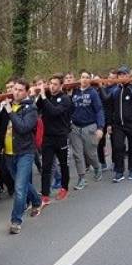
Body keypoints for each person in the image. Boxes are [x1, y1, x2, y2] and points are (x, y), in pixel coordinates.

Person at [0, 78, 45, 234]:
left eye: (20, 90)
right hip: (8, 153)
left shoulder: (31, 109)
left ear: (26, 92)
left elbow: (24, 127)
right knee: (23, 183)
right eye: (15, 89)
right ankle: (37, 201)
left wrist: (10, 112)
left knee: (19, 188)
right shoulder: (7, 106)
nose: (16, 92)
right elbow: (1, 127)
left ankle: (16, 221)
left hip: (24, 152)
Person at [36, 73, 73, 203]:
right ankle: (45, 193)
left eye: (55, 84)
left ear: (61, 85)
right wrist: (40, 95)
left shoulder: (65, 99)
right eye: (51, 84)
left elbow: (54, 112)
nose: (52, 86)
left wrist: (44, 97)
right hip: (47, 137)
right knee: (46, 166)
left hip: (61, 136)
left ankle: (64, 188)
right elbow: (37, 107)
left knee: (63, 164)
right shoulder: (46, 96)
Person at [106, 66, 132, 182]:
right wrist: (109, 124)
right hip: (117, 125)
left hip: (131, 123)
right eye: (120, 75)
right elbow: (109, 108)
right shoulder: (115, 91)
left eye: (124, 74)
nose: (122, 77)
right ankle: (119, 171)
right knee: (118, 147)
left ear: (128, 76)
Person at [70, 71, 104, 190]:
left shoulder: (93, 93)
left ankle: (97, 167)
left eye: (87, 77)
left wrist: (100, 128)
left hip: (89, 127)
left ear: (90, 80)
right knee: (77, 154)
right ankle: (82, 178)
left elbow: (99, 110)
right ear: (79, 79)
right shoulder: (74, 92)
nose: (84, 79)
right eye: (82, 77)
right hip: (75, 127)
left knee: (90, 153)